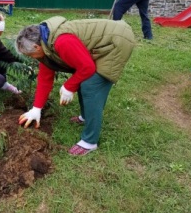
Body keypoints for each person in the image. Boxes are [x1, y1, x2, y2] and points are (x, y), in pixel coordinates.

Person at [15, 16, 135, 156]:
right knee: (83, 81)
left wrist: (69, 86)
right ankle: (86, 116)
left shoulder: (62, 41)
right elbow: (44, 79)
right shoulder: (46, 44)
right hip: (104, 41)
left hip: (117, 42)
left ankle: (90, 141)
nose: (32, 58)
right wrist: (36, 109)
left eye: (30, 55)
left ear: (36, 46)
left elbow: (87, 68)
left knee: (91, 85)